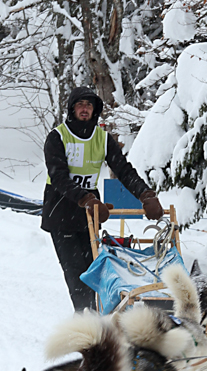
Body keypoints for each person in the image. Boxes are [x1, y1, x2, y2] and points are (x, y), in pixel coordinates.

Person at [42, 86, 164, 310]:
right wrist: (86, 199)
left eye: (89, 105)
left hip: (90, 212)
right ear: (71, 109)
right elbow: (58, 177)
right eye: (80, 105)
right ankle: (86, 322)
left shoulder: (102, 138)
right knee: (76, 273)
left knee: (95, 271)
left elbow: (124, 170)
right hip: (61, 211)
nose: (85, 109)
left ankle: (99, 318)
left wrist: (146, 195)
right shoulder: (57, 137)